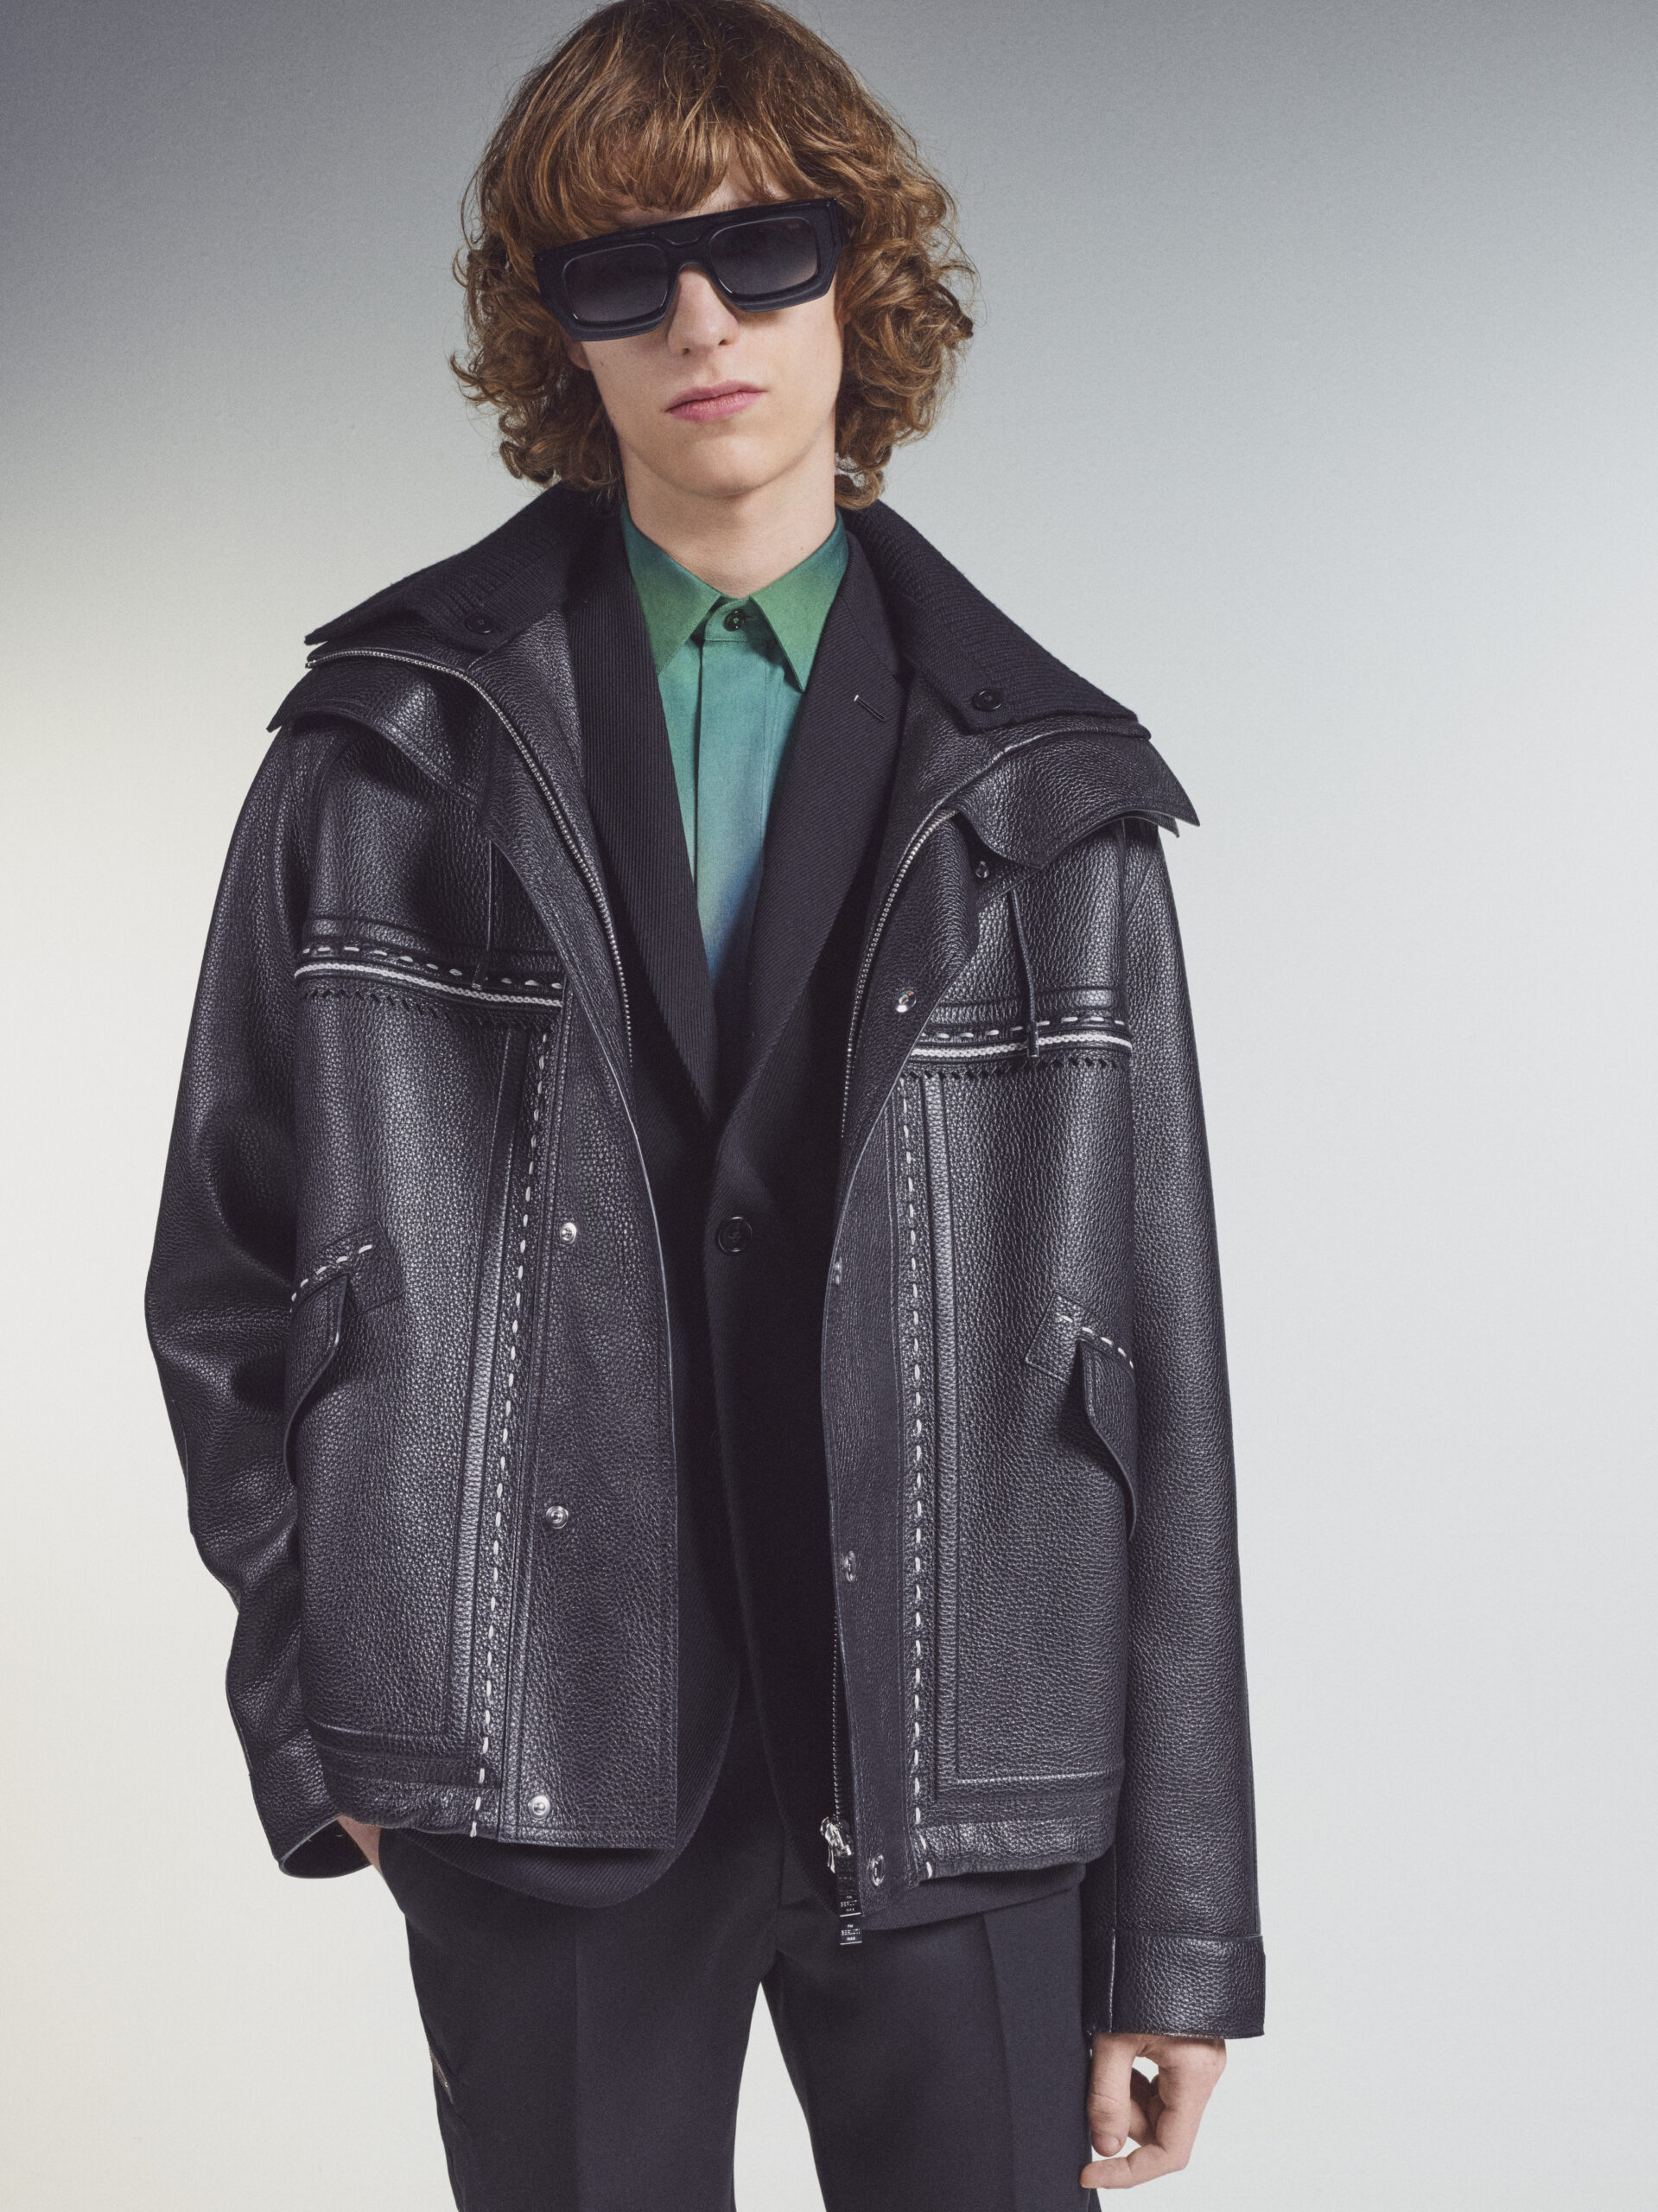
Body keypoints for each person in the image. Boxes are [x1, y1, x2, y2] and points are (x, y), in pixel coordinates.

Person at [144, 2, 1264, 2202]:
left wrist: (1182, 1924)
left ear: (861, 280)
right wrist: (326, 1702)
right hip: (532, 1763)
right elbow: (228, 1276)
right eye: (620, 269)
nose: (699, 320)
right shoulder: (381, 754)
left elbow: (1162, 1365)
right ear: (552, 328)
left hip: (964, 1761)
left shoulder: (1051, 794)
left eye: (763, 250)